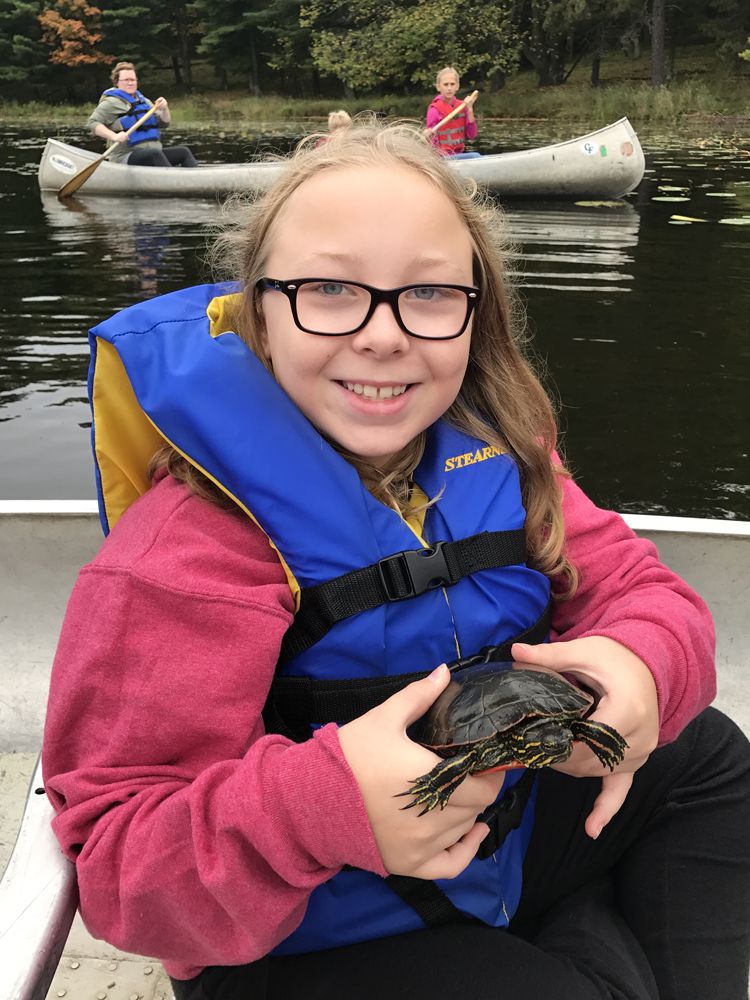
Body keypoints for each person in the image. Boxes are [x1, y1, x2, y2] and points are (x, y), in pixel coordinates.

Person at [42, 122, 750, 1000]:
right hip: (315, 933)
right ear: (259, 308)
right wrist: (321, 809)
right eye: (331, 289)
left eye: (429, 294)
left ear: (474, 315)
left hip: (504, 833)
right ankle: (584, 946)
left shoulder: (504, 461)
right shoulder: (182, 559)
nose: (383, 336)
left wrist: (642, 664)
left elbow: (645, 589)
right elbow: (123, 876)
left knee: (707, 754)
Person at [87, 61, 198, 168]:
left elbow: (164, 123)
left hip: (152, 155)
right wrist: (114, 136)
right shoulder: (111, 102)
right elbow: (92, 123)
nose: (130, 83)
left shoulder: (145, 101)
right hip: (126, 157)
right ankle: (174, 181)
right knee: (154, 154)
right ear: (117, 82)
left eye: (133, 80)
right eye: (126, 80)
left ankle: (195, 181)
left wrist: (165, 109)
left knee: (183, 152)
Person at [426, 66, 479, 158]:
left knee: (476, 156)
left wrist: (470, 109)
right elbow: (432, 142)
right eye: (446, 84)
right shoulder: (434, 110)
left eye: (452, 84)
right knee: (476, 156)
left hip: (459, 154)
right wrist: (427, 136)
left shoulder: (463, 106)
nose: (449, 88)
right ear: (439, 87)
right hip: (442, 157)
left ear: (457, 86)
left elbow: (472, 135)